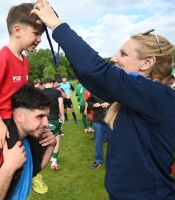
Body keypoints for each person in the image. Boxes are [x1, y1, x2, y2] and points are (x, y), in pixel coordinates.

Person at [32, 1, 175, 199]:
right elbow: (90, 78)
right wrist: (63, 41)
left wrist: (57, 25)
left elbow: (96, 70)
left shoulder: (158, 95)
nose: (114, 58)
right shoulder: (136, 96)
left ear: (147, 62)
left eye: (123, 53)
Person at [0, 3, 47, 195]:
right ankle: (4, 193)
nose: (39, 39)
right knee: (14, 160)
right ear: (17, 30)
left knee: (37, 143)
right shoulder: (1, 58)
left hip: (16, 117)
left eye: (41, 35)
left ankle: (33, 176)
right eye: (36, 33)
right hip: (2, 118)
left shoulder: (25, 61)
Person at [0, 84, 56, 200]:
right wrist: (8, 167)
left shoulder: (27, 139)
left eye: (47, 116)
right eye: (40, 116)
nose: (46, 123)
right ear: (19, 116)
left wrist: (51, 146)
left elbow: (31, 171)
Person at [42, 77, 64, 170]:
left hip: (43, 119)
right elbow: (61, 104)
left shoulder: (41, 92)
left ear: (44, 84)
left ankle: (43, 160)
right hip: (55, 118)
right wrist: (62, 116)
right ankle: (54, 162)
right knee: (56, 139)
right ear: (52, 83)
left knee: (43, 139)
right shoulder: (57, 92)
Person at [86, 94, 110, 169]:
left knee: (115, 142)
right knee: (98, 141)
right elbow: (89, 101)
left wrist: (109, 103)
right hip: (98, 120)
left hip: (112, 119)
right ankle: (99, 160)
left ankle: (116, 160)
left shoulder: (113, 87)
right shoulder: (95, 90)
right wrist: (94, 104)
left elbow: (121, 101)